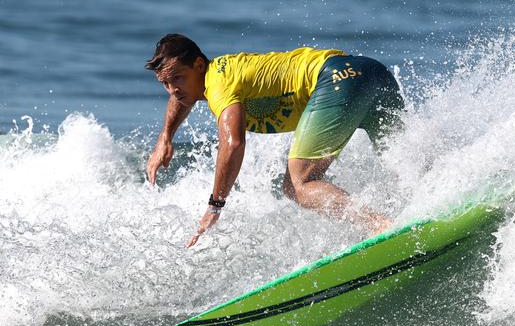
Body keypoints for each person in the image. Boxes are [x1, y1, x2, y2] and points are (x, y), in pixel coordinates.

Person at [145, 33, 404, 248]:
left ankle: (383, 228)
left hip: (335, 81)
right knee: (404, 160)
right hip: (370, 72)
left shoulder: (218, 85)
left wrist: (215, 206)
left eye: (177, 78)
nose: (172, 89)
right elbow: (181, 96)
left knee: (298, 185)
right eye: (165, 83)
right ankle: (429, 203)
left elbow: (233, 144)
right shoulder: (208, 78)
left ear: (199, 65)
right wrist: (166, 137)